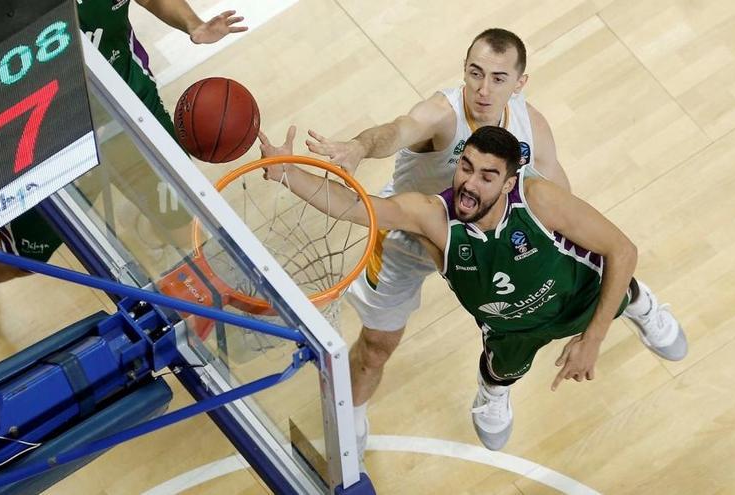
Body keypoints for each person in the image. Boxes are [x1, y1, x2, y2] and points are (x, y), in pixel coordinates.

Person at [259, 125, 687, 451]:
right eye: (466, 167)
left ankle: (642, 306)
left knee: (622, 291)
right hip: (511, 327)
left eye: (487, 176)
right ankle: (494, 392)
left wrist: (592, 339)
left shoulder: (538, 200)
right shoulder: (434, 216)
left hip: (578, 294)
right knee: (500, 372)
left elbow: (623, 250)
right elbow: (359, 208)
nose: (470, 183)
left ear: (507, 183)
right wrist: (287, 175)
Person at [304, 28, 572, 456]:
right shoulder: (442, 114)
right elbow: (397, 130)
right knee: (376, 346)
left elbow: (559, 191)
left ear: (519, 83)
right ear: (464, 70)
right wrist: (359, 146)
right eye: (475, 73)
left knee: (532, 312)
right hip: (408, 238)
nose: (483, 90)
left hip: (487, 241)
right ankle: (351, 414)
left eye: (499, 78)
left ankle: (495, 385)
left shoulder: (528, 123)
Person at [0, 0, 248, 349]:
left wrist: (193, 25)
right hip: (50, 132)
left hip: (126, 98)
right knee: (21, 261)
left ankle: (140, 209)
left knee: (186, 224)